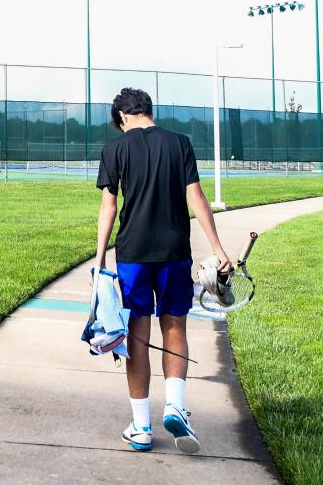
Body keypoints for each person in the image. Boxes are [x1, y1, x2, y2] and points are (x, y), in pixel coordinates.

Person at [93, 87, 233, 456]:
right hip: (174, 252)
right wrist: (218, 250)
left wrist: (99, 260)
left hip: (133, 254)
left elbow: (109, 208)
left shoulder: (114, 148)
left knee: (137, 334)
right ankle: (175, 406)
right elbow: (196, 198)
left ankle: (140, 427)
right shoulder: (180, 143)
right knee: (175, 327)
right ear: (147, 111)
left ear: (122, 117)